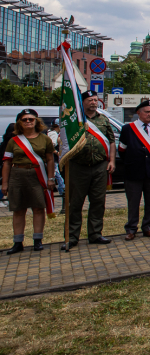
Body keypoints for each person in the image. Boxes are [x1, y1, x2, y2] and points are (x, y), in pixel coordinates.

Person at [64, 89, 116, 247]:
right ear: (83, 102)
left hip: (100, 166)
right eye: (90, 100)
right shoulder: (75, 120)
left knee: (98, 202)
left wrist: (112, 161)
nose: (93, 102)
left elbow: (112, 141)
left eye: (95, 100)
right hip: (78, 166)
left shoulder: (104, 120)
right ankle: (72, 237)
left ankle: (95, 234)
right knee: (75, 203)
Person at [3, 109, 55, 253]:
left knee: (38, 208)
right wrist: (5, 183)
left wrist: (51, 178)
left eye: (30, 119)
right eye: (24, 119)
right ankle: (18, 243)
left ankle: (37, 240)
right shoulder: (13, 140)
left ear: (36, 121)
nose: (28, 122)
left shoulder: (44, 139)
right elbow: (7, 162)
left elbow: (50, 159)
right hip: (17, 175)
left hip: (37, 175)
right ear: (19, 122)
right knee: (18, 210)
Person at [117, 99, 150, 240]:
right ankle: (131, 229)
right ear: (139, 113)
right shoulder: (128, 129)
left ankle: (148, 227)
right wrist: (132, 162)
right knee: (133, 202)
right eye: (147, 112)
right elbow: (122, 150)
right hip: (134, 172)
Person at [0, 122, 16, 207]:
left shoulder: (5, 139)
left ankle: (4, 198)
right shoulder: (12, 140)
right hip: (8, 164)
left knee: (6, 183)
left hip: (4, 164)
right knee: (8, 183)